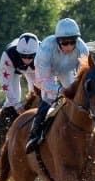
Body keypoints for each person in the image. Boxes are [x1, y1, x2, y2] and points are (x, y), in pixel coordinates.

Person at [25, 18, 89, 153]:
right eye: (65, 43)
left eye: (72, 42)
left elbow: (82, 76)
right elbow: (43, 82)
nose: (69, 47)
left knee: (77, 97)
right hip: (47, 73)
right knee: (47, 98)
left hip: (67, 70)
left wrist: (74, 90)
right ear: (58, 40)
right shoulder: (46, 49)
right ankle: (34, 134)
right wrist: (60, 90)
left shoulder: (82, 48)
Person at [0, 32, 40, 140]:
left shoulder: (43, 53)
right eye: (23, 56)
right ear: (18, 53)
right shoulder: (8, 55)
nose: (27, 60)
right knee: (13, 99)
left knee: (39, 94)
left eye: (30, 56)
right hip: (13, 70)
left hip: (35, 70)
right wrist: (17, 106)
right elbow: (5, 84)